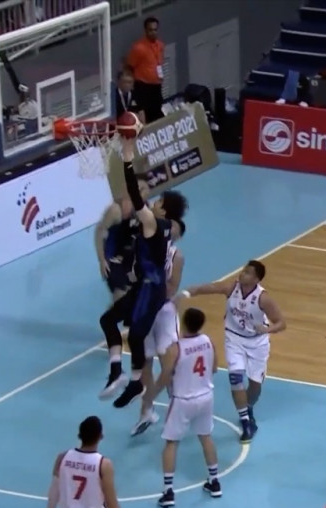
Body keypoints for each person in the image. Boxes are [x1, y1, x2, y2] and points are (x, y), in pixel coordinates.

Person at [98, 138, 184, 409]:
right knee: (108, 320)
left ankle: (136, 382)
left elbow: (135, 196)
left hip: (152, 288)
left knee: (135, 335)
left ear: (163, 210)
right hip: (142, 285)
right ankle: (116, 371)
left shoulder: (153, 223)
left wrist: (127, 157)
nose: (153, 202)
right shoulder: (165, 225)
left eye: (158, 202)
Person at [178, 260, 287, 443]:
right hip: (234, 339)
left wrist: (267, 329)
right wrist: (188, 292)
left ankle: (248, 407)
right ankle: (245, 422)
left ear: (256, 279)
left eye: (248, 272)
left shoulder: (263, 298)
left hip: (257, 343)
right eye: (243, 270)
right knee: (235, 378)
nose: (242, 273)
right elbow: (210, 288)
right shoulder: (231, 288)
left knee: (255, 386)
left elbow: (281, 323)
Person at [144, 307, 223, 508]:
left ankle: (168, 491)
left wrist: (151, 395)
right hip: (206, 396)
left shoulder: (175, 348)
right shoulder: (209, 341)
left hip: (183, 399)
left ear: (184, 323)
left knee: (171, 443)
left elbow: (165, 376)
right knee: (206, 437)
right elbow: (214, 368)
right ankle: (214, 482)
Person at [130, 195, 188, 434]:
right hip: (143, 306)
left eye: (159, 202)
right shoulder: (144, 240)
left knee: (169, 365)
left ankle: (160, 402)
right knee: (145, 360)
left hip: (162, 310)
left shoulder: (175, 254)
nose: (153, 203)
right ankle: (146, 412)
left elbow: (171, 288)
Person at [45, 416, 127, 508]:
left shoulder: (62, 457)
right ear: (101, 436)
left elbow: (54, 489)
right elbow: (111, 502)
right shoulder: (103, 464)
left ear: (80, 435)